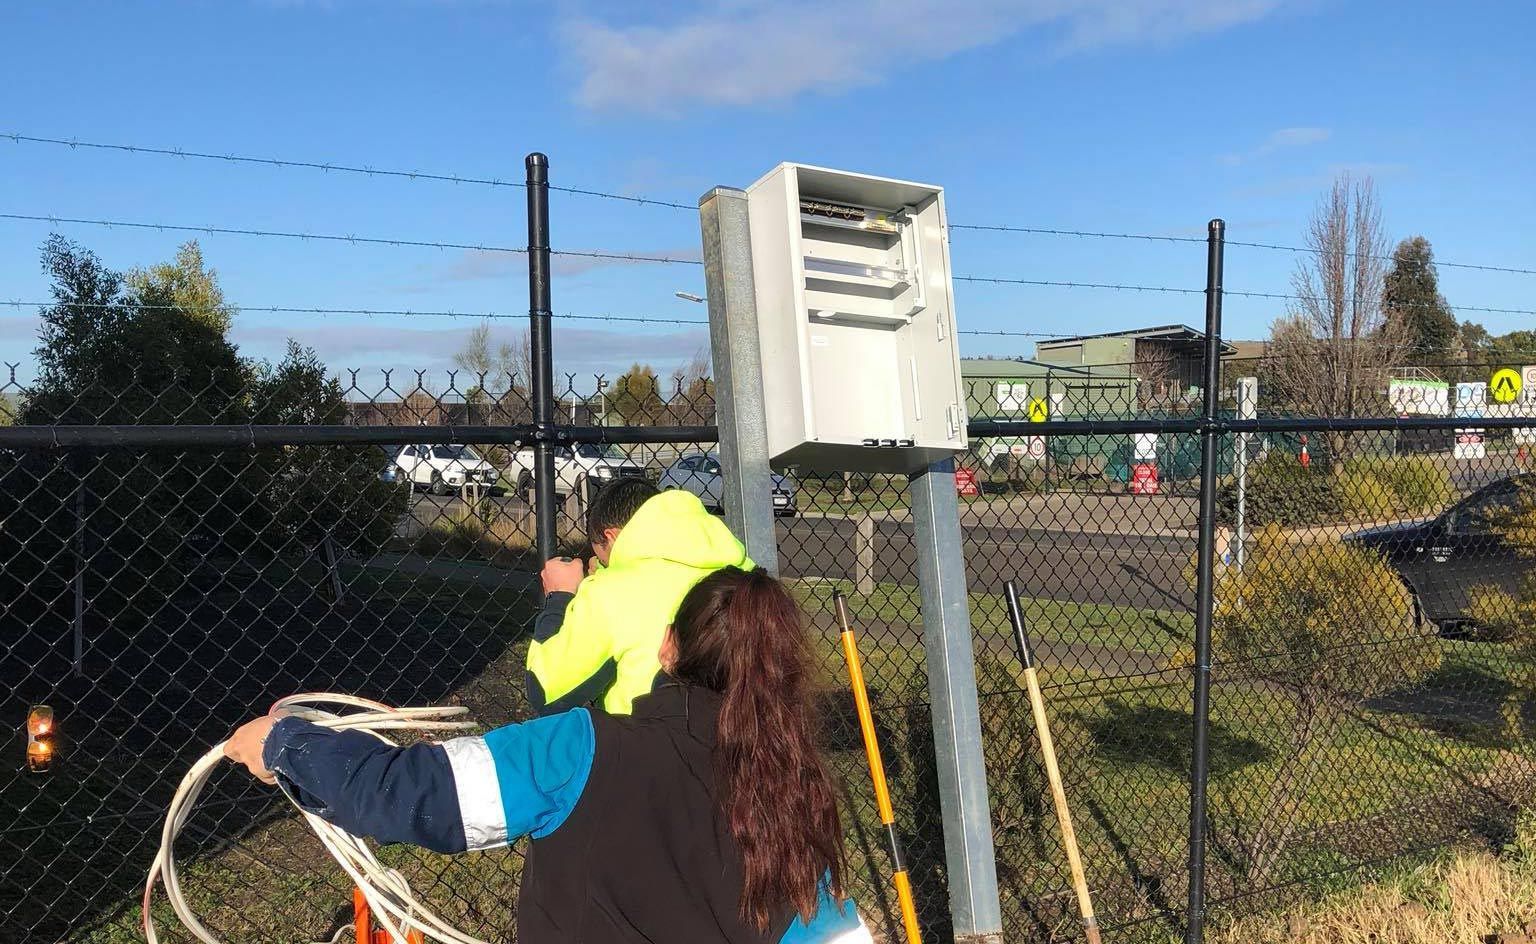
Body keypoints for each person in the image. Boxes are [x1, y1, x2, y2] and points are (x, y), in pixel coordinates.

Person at [225, 567, 870, 944]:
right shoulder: (797, 798)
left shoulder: (577, 749)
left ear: (668, 647)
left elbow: (404, 793)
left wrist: (284, 743)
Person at [527, 477, 751, 716]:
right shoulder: (747, 574)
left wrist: (560, 597)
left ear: (611, 536)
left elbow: (547, 692)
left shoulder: (609, 594)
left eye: (603, 559)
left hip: (652, 743)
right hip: (749, 739)